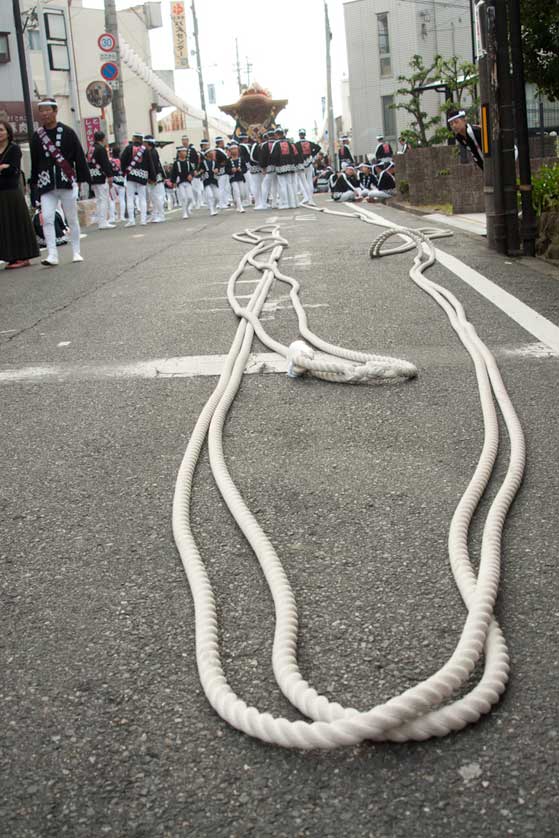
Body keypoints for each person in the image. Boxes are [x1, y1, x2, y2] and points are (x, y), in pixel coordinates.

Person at [29, 98, 90, 267]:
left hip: (66, 181)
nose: (45, 114)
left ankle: (76, 251)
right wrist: (34, 183)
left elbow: (78, 156)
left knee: (71, 218)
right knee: (47, 218)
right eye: (42, 111)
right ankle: (52, 254)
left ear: (55, 111)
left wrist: (83, 178)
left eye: (48, 110)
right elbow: (35, 161)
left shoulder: (68, 132)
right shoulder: (37, 136)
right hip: (46, 183)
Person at [0, 119, 40, 269]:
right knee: (5, 225)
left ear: (8, 132)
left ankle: (23, 257)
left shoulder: (14, 149)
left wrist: (5, 168)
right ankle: (11, 257)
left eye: (1, 130)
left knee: (16, 223)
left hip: (11, 191)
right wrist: (3, 167)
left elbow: (14, 170)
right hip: (1, 191)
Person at [120, 132, 155, 227]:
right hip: (143, 176)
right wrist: (152, 177)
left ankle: (131, 220)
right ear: (141, 139)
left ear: (135, 138)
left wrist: (124, 172)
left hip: (131, 175)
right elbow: (150, 164)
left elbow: (122, 161)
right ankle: (143, 220)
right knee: (142, 198)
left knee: (130, 197)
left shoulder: (128, 148)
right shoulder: (146, 150)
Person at [87, 130, 114, 230]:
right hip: (101, 177)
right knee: (103, 199)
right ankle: (103, 222)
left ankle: (100, 220)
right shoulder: (101, 149)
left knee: (98, 200)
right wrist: (110, 175)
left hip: (93, 176)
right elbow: (105, 163)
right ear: (103, 139)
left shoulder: (90, 149)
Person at [144, 135, 166, 223]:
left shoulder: (152, 152)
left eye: (144, 142)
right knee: (153, 197)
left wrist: (153, 178)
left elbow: (154, 167)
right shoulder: (149, 152)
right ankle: (154, 215)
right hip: (153, 177)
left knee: (158, 197)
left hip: (156, 177)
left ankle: (161, 215)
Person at [295, 129, 320, 204]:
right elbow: (318, 147)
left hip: (301, 163)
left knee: (302, 181)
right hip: (309, 162)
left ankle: (306, 196)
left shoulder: (296, 144)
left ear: (299, 135)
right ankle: (310, 197)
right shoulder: (310, 143)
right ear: (305, 134)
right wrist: (312, 154)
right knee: (309, 180)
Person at [171, 146, 195, 219]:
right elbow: (174, 173)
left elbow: (192, 170)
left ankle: (187, 208)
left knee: (190, 197)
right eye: (183, 151)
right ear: (179, 153)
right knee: (183, 197)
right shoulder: (176, 163)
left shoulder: (188, 162)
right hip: (180, 182)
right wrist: (174, 182)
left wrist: (191, 175)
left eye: (185, 151)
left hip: (188, 182)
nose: (185, 153)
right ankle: (184, 212)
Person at [225, 143, 247, 213]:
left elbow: (245, 168)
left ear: (238, 150)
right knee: (236, 191)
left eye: (235, 149)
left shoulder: (241, 159)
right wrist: (231, 170)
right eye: (232, 149)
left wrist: (242, 170)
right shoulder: (228, 160)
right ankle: (240, 207)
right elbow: (226, 170)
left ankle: (237, 203)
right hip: (233, 178)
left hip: (240, 177)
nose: (234, 150)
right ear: (230, 151)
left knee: (242, 193)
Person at [108, 146, 126, 223]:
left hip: (113, 181)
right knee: (122, 199)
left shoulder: (110, 161)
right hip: (122, 181)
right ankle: (122, 216)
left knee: (112, 200)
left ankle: (112, 218)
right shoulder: (122, 161)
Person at [200, 149, 220, 216]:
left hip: (214, 180)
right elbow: (199, 171)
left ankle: (214, 206)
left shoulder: (215, 162)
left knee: (217, 197)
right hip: (207, 181)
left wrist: (217, 170)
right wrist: (201, 172)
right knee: (210, 195)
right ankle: (211, 209)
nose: (212, 153)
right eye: (211, 152)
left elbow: (218, 169)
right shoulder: (203, 163)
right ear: (207, 154)